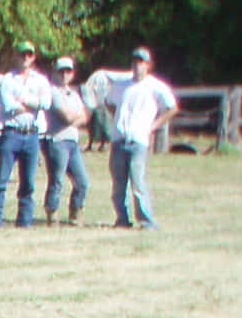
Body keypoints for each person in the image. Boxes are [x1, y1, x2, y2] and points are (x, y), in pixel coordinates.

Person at [105, 46, 178, 229]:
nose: (137, 66)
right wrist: (118, 119)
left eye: (142, 63)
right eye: (135, 62)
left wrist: (153, 125)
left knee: (137, 182)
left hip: (138, 140)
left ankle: (146, 220)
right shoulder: (122, 85)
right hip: (119, 139)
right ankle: (122, 219)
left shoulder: (155, 86)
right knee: (118, 184)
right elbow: (109, 102)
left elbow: (172, 107)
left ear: (149, 65)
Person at [0, 40, 51, 228]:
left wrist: (23, 100)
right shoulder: (7, 79)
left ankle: (25, 221)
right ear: (16, 56)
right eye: (22, 54)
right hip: (11, 133)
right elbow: (9, 107)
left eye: (29, 54)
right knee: (1, 179)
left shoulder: (41, 80)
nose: (25, 58)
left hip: (32, 135)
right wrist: (33, 104)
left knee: (28, 183)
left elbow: (46, 103)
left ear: (33, 57)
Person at [43, 55, 89, 225]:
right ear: (55, 72)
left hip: (73, 142)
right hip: (57, 141)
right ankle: (52, 212)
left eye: (68, 71)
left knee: (82, 181)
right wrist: (75, 119)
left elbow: (85, 117)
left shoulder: (74, 94)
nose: (64, 75)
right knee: (57, 180)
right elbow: (67, 117)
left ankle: (76, 212)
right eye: (61, 71)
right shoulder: (52, 92)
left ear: (72, 73)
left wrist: (74, 119)